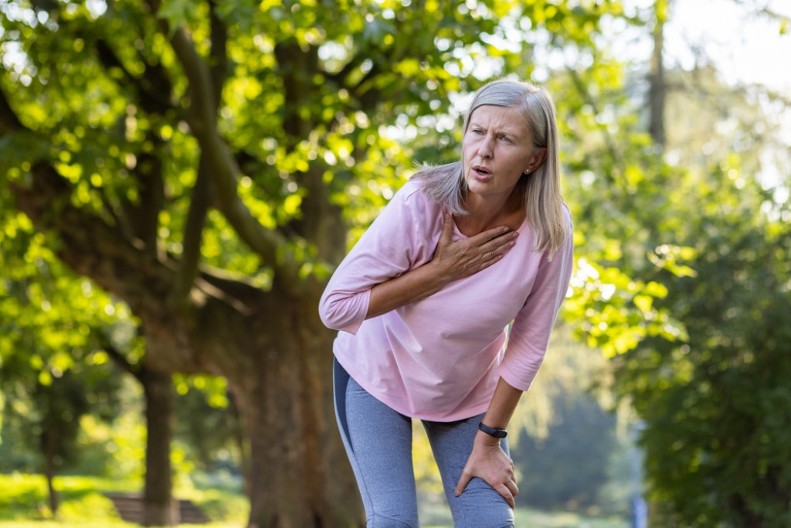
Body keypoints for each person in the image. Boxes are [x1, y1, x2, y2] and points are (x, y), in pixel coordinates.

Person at [318, 78, 574, 528]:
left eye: (505, 139)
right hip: (376, 374)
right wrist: (440, 272)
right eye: (477, 131)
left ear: (535, 158)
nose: (484, 151)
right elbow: (335, 307)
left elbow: (528, 345)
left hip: (467, 392)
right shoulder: (422, 202)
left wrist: (490, 439)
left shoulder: (549, 229)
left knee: (490, 524)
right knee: (394, 521)